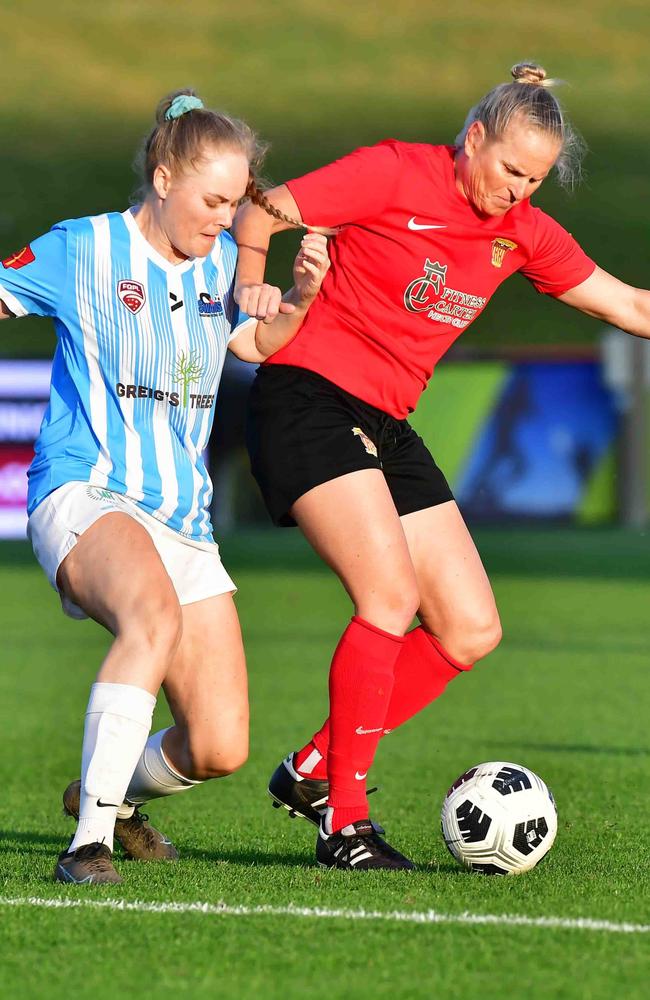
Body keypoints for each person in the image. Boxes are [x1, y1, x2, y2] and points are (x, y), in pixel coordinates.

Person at [232, 61, 650, 870]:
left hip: (386, 423)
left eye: (534, 180)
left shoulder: (521, 232)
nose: (518, 191)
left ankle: (315, 766)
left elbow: (630, 303)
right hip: (307, 398)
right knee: (387, 598)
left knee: (468, 628)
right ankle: (342, 825)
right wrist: (252, 284)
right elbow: (263, 211)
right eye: (508, 171)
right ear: (473, 139)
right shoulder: (395, 171)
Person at [0, 89, 330, 885]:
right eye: (214, 200)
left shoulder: (221, 263)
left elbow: (258, 341)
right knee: (147, 616)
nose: (227, 219)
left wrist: (299, 300)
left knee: (220, 745)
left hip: (184, 520)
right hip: (87, 493)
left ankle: (105, 794)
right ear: (162, 176)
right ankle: (88, 846)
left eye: (236, 202)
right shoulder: (82, 249)